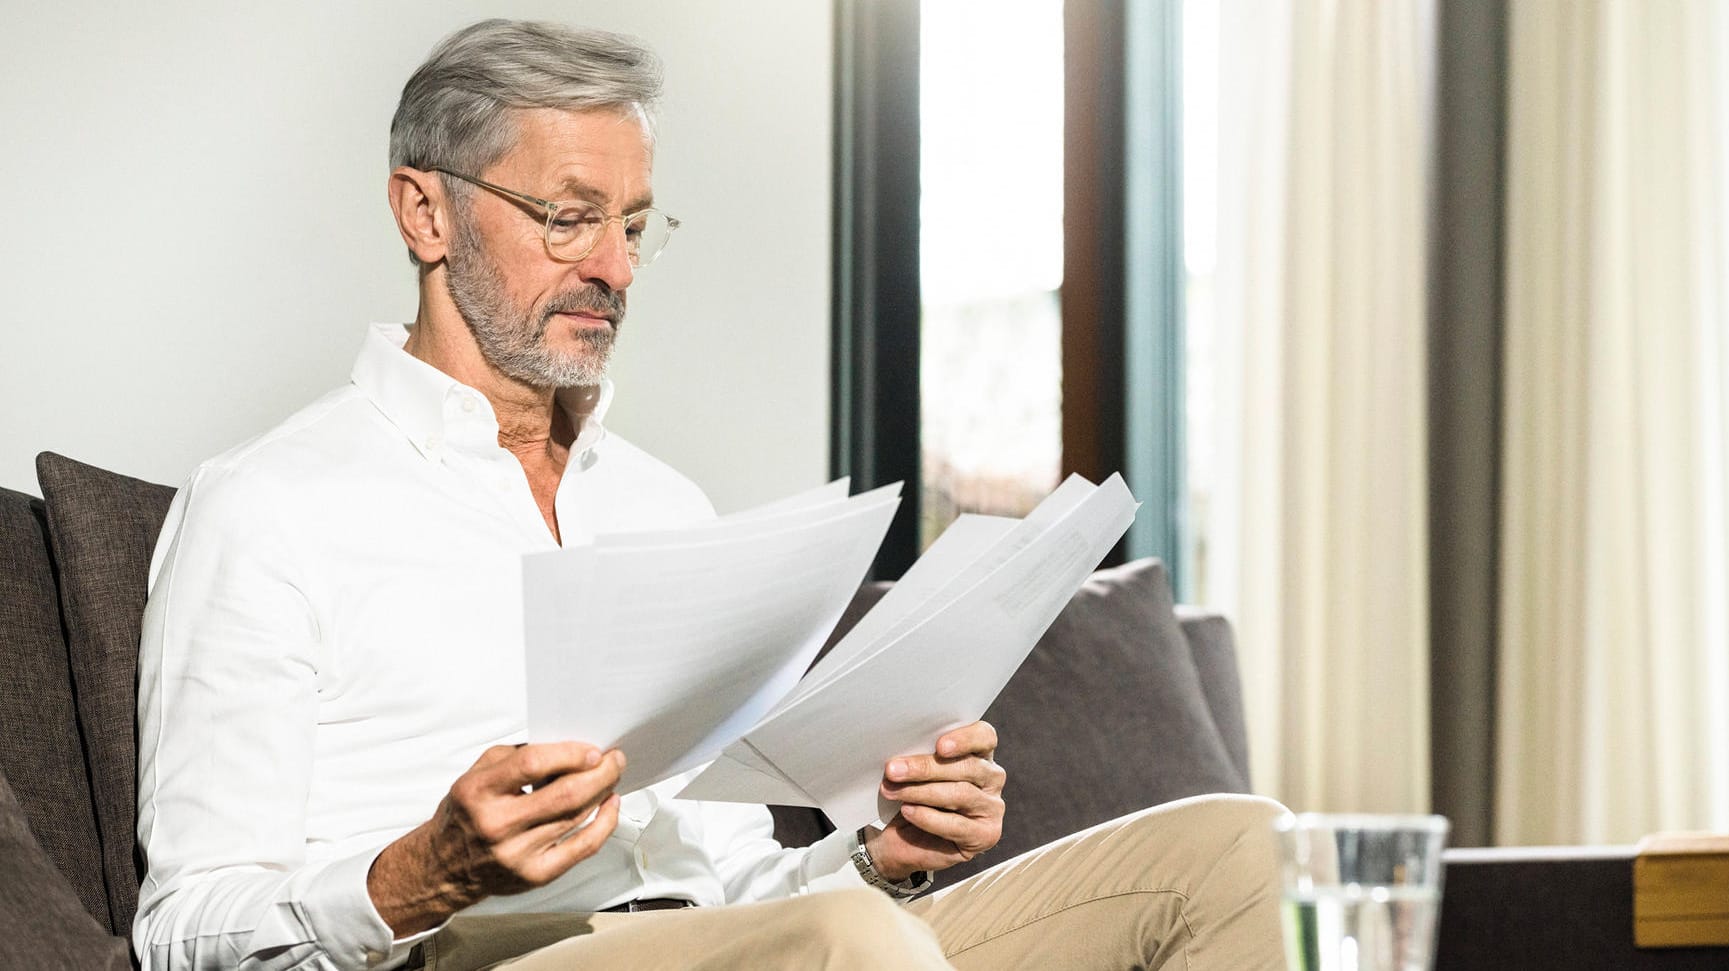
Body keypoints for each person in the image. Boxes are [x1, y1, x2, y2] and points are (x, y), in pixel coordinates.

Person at [133, 19, 1286, 971]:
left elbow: (747, 889)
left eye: (634, 226)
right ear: (426, 213)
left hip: (740, 945)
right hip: (471, 955)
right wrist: (418, 870)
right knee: (849, 943)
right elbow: (181, 927)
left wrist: (884, 851)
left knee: (1241, 848)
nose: (617, 269)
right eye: (569, 217)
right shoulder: (269, 506)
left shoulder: (663, 508)